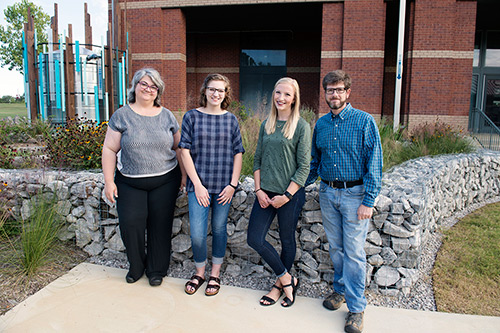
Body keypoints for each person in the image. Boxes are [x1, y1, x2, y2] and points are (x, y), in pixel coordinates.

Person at [306, 70, 382, 333]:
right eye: (330, 90)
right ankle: (339, 291)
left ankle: (357, 308)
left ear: (348, 93)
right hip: (327, 193)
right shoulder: (322, 124)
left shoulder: (364, 122)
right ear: (325, 93)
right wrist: (295, 185)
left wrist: (369, 200)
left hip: (355, 196)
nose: (334, 94)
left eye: (339, 90)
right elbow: (315, 162)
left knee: (354, 253)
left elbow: (375, 163)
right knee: (336, 249)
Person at [102, 68, 184, 287]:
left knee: (161, 225)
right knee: (131, 224)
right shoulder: (122, 115)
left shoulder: (167, 115)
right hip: (130, 181)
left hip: (165, 180)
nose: (148, 89)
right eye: (144, 84)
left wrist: (184, 176)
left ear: (158, 91)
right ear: (135, 86)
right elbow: (110, 149)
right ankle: (136, 266)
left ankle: (156, 270)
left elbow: (178, 147)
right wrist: (109, 181)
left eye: (153, 86)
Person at [247, 77, 311, 308]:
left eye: (286, 94)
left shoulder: (301, 126)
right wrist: (258, 190)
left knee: (286, 240)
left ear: (294, 99)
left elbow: (305, 167)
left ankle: (277, 286)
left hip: (289, 195)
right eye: (277, 93)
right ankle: (287, 279)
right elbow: (257, 159)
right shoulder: (267, 124)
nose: (281, 98)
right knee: (254, 238)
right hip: (265, 193)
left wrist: (287, 195)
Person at [180, 74, 244, 296]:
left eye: (221, 90)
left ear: (226, 94)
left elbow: (238, 153)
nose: (216, 94)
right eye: (212, 89)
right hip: (199, 186)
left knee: (218, 229)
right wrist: (197, 184)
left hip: (223, 187)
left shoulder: (231, 120)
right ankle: (199, 272)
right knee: (197, 233)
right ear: (204, 91)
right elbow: (184, 151)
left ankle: (215, 273)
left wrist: (232, 185)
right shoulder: (192, 117)